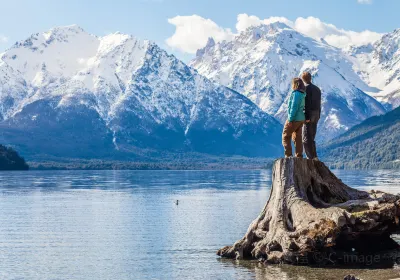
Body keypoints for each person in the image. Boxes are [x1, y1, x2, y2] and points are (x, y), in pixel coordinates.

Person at [282, 78, 306, 158]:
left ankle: (288, 155)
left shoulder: (296, 94)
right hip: (301, 119)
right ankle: (299, 155)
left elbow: (294, 107)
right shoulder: (303, 94)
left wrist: (290, 119)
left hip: (294, 118)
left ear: (295, 84)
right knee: (297, 137)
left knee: (286, 136)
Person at [301, 72, 322, 161]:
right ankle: (315, 156)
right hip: (316, 114)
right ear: (310, 78)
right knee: (312, 136)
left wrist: (307, 117)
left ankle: (310, 158)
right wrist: (318, 115)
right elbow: (319, 103)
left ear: (303, 79)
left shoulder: (306, 89)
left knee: (306, 137)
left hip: (310, 114)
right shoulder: (317, 89)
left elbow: (307, 104)